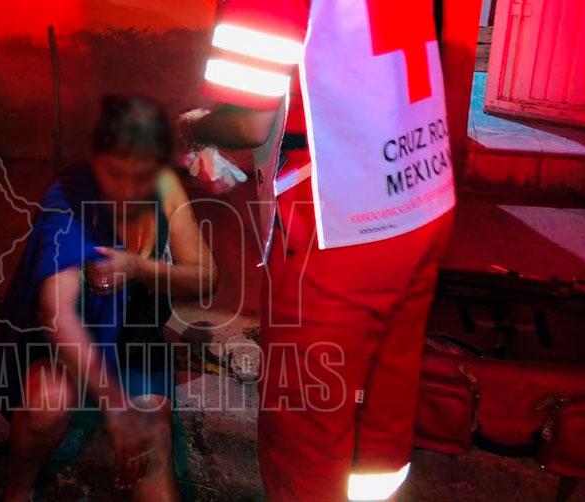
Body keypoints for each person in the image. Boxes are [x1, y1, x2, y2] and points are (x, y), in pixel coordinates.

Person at [178, 1, 456, 500]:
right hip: (421, 193)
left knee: (305, 425)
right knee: (384, 398)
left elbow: (249, 123)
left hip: (339, 223)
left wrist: (194, 128)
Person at [0, 96, 217, 502]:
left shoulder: (166, 188)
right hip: (67, 349)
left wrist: (139, 268)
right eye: (115, 173)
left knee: (152, 438)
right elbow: (56, 314)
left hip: (135, 343)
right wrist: (115, 407)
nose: (128, 190)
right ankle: (18, 490)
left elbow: (205, 278)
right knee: (48, 402)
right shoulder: (69, 199)